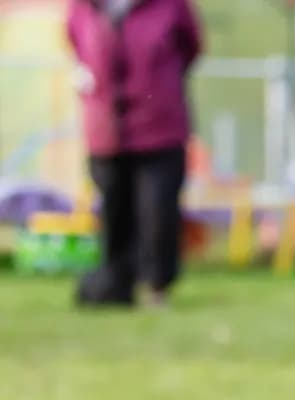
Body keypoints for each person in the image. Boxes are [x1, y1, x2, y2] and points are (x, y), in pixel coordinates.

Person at [66, 0, 200, 308]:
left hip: (159, 125)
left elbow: (191, 47)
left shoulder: (170, 5)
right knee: (114, 210)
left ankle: (156, 286)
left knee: (157, 211)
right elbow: (76, 45)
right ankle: (115, 283)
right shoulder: (84, 6)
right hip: (106, 128)